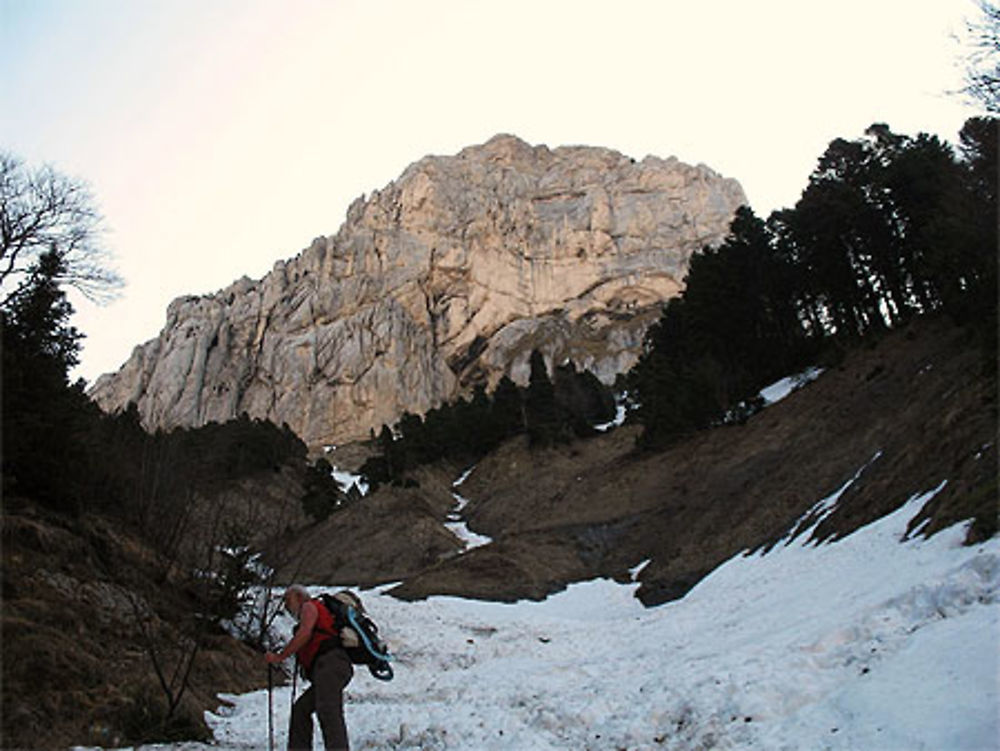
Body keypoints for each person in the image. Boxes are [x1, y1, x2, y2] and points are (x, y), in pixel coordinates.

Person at [266, 585, 353, 751]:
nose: (286, 605)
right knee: (301, 709)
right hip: (331, 667)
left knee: (328, 711)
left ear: (299, 596)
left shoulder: (309, 606)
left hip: (329, 664)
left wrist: (279, 657)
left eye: (288, 599)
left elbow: (305, 634)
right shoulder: (315, 610)